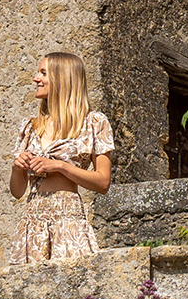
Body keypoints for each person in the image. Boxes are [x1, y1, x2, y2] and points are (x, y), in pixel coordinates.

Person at [8, 50, 115, 266]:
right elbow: (18, 191)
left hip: (69, 218)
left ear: (62, 78)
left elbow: (103, 183)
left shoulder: (94, 123)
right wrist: (17, 168)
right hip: (32, 218)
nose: (36, 79)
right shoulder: (29, 126)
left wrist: (60, 166)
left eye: (43, 73)